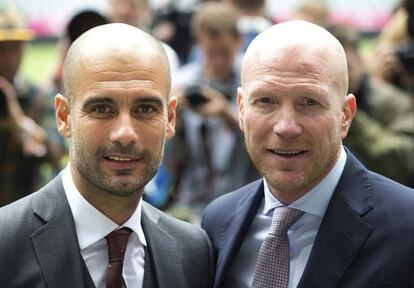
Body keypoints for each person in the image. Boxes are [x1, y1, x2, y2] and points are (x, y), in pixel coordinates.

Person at [202, 20, 414, 288]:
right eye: (266, 101)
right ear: (242, 109)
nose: (286, 127)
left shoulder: (407, 226)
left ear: (345, 115)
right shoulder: (218, 220)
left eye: (309, 102)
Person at [0, 23, 213, 288]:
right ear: (64, 117)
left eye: (145, 109)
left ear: (170, 118)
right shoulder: (5, 243)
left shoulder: (193, 251)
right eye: (101, 108)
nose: (125, 134)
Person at [165, 1, 258, 222]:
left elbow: (267, 139)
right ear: (199, 44)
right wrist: (170, 119)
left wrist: (227, 114)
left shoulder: (253, 80)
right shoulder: (184, 83)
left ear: (239, 41)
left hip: (244, 201)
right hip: (191, 204)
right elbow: (164, 162)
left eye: (225, 53)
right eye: (210, 52)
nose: (218, 61)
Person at [328, 23, 414, 186]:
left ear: (361, 62)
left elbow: (404, 160)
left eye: (346, 68)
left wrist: (352, 118)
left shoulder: (391, 101)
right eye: (329, 71)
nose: (338, 78)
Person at [0, 5, 65, 206]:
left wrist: (20, 123)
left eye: (15, 48)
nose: (7, 58)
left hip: (22, 210)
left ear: (24, 49)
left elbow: (58, 154)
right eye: (1, 49)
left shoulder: (39, 96)